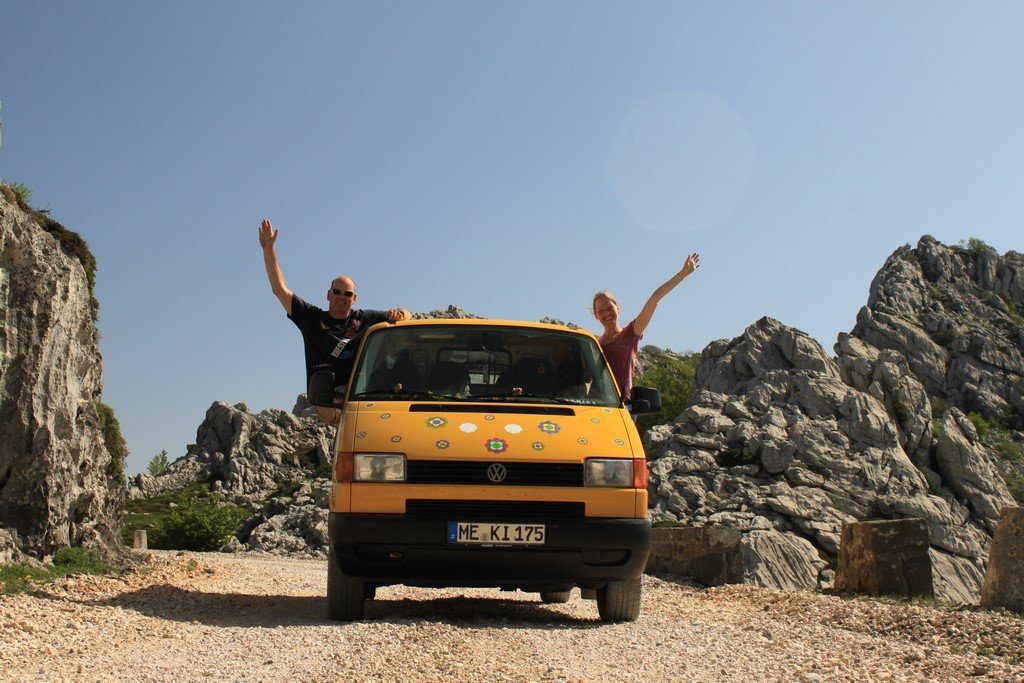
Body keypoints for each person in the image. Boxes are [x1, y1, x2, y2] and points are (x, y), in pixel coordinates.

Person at [259, 218, 411, 423]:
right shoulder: (311, 318)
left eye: (347, 293)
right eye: (337, 291)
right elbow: (280, 290)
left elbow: (406, 315)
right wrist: (268, 249)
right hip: (326, 403)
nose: (341, 296)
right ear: (328, 295)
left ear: (354, 299)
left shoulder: (363, 319)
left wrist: (399, 314)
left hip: (359, 403)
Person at [593, 253, 701, 400]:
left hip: (623, 407)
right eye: (601, 311)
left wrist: (682, 274)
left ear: (618, 308)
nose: (607, 313)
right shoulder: (593, 344)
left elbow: (654, 299)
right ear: (596, 315)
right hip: (595, 407)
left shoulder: (631, 333)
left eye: (610, 308)